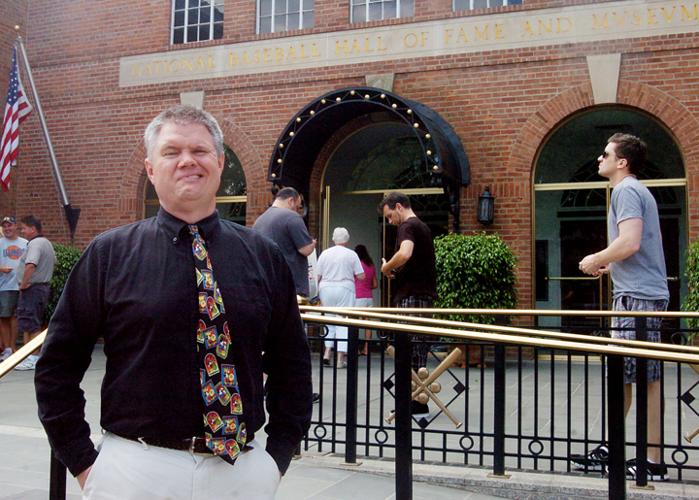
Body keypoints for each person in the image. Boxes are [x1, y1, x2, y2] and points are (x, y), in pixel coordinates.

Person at [35, 105, 312, 499]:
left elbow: (293, 367)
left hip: (242, 473)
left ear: (219, 164)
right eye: (171, 152)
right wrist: (84, 463)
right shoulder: (108, 254)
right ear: (151, 169)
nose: (187, 162)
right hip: (134, 470)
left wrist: (276, 458)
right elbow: (56, 367)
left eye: (199, 151)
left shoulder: (263, 256)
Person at [573, 133, 669, 481]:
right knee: (628, 376)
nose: (600, 159)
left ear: (622, 161)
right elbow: (636, 247)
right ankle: (615, 447)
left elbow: (629, 242)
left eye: (606, 154)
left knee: (643, 378)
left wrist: (595, 258)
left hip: (637, 298)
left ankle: (651, 462)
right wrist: (610, 265)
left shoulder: (626, 190)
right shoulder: (636, 191)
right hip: (639, 293)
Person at [379, 192, 437, 417]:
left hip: (412, 297)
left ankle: (410, 401)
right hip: (423, 295)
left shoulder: (408, 226)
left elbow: (405, 253)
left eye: (390, 215)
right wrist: (396, 270)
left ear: (400, 206)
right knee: (419, 350)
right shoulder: (422, 227)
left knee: (407, 348)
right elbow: (412, 261)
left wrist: (386, 268)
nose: (390, 221)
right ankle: (418, 401)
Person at [253, 186, 316, 298]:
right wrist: (312, 244)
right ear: (291, 201)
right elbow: (305, 250)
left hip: (266, 284)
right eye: (298, 207)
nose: (297, 210)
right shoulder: (292, 217)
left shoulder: (259, 221)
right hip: (290, 285)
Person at [317, 227, 364, 368]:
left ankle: (327, 353)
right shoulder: (351, 254)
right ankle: (340, 358)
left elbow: (317, 276)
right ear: (347, 239)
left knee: (329, 320)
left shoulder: (325, 253)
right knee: (343, 321)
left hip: (326, 288)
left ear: (333, 239)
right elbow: (361, 275)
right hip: (345, 287)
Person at [14, 215, 55, 371]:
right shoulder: (46, 243)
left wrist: (23, 284)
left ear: (32, 229)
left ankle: (33, 357)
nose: (23, 231)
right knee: (29, 323)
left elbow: (31, 264)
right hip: (41, 288)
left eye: (24, 228)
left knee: (31, 323)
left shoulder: (35, 244)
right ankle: (27, 356)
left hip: (33, 289)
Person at [0, 216, 27, 361]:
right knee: (4, 317)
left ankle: (13, 347)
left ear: (16, 226)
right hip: (4, 287)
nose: (7, 228)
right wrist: (1, 269)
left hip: (21, 286)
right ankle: (6, 349)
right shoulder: (0, 243)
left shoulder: (25, 243)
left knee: (15, 317)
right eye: (4, 226)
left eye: (9, 225)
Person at [354, 244, 378, 356]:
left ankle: (356, 349)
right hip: (369, 297)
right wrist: (367, 286)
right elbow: (375, 284)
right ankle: (367, 348)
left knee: (355, 322)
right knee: (367, 323)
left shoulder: (357, 265)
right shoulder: (371, 265)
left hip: (358, 297)